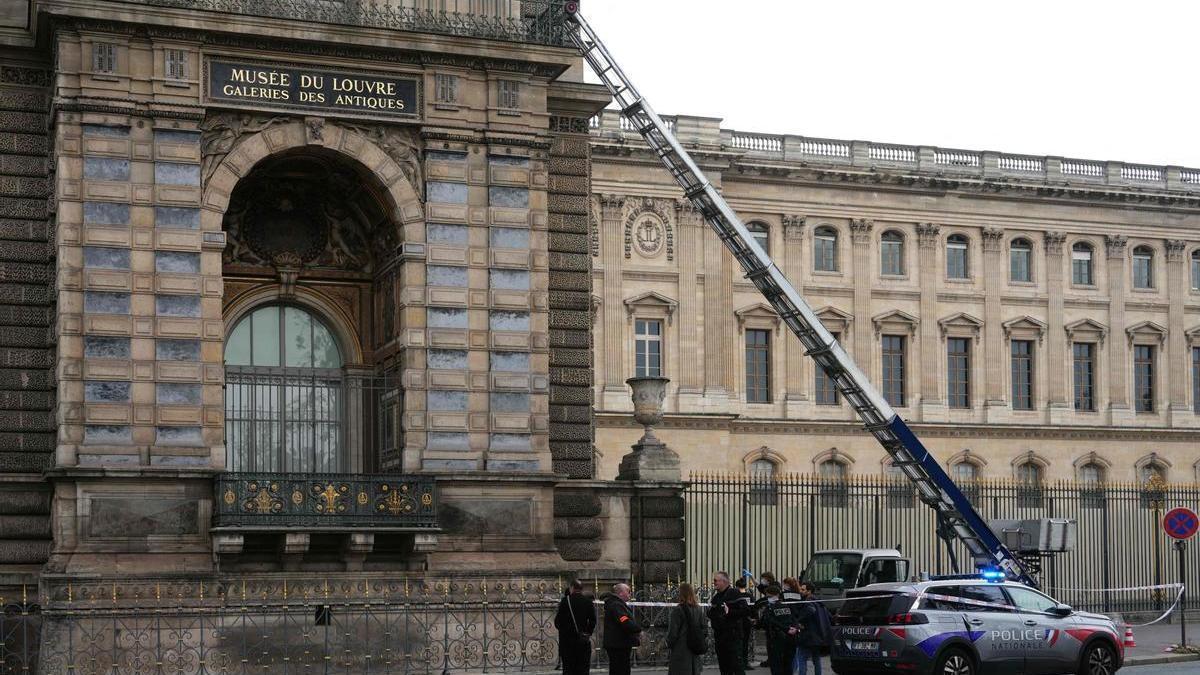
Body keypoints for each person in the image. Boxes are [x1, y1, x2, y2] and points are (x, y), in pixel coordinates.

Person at [708, 571, 749, 675]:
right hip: (720, 637)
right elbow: (712, 613)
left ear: (724, 581)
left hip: (733, 637)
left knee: (737, 666)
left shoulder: (734, 593)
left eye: (716, 580)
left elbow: (745, 610)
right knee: (724, 667)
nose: (714, 583)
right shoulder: (716, 597)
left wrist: (730, 612)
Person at [555, 579, 597, 675]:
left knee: (569, 669)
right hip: (583, 641)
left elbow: (558, 622)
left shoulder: (565, 601)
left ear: (572, 588)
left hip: (567, 642)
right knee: (583, 669)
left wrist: (565, 631)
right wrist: (587, 633)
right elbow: (593, 621)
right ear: (581, 589)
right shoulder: (588, 602)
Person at [666, 582, 707, 675]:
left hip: (681, 651)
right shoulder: (698, 609)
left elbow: (673, 633)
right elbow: (704, 629)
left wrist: (668, 644)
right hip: (694, 651)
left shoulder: (678, 610)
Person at [602, 583, 642, 675]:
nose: (630, 594)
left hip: (618, 643)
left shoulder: (616, 604)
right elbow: (624, 621)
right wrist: (637, 629)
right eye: (628, 591)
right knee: (621, 669)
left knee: (618, 669)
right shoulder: (616, 605)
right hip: (618, 644)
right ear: (620, 593)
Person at [758, 585, 798, 675]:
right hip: (790, 637)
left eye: (768, 596)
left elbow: (768, 622)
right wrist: (794, 628)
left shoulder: (769, 608)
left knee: (776, 665)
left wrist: (787, 629)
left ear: (774, 595)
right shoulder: (787, 606)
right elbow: (794, 618)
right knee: (788, 664)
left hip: (776, 639)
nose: (767, 598)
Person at [793, 582, 829, 675]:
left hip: (807, 635)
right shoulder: (819, 602)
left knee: (802, 658)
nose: (800, 591)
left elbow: (810, 611)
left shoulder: (808, 601)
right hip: (818, 636)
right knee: (816, 659)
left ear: (809, 591)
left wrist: (799, 622)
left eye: (803, 589)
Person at [734, 577, 755, 670]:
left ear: (736, 586)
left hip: (737, 622)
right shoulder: (750, 596)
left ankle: (738, 662)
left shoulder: (735, 596)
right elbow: (754, 609)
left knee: (737, 643)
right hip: (747, 622)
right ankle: (745, 663)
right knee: (745, 643)